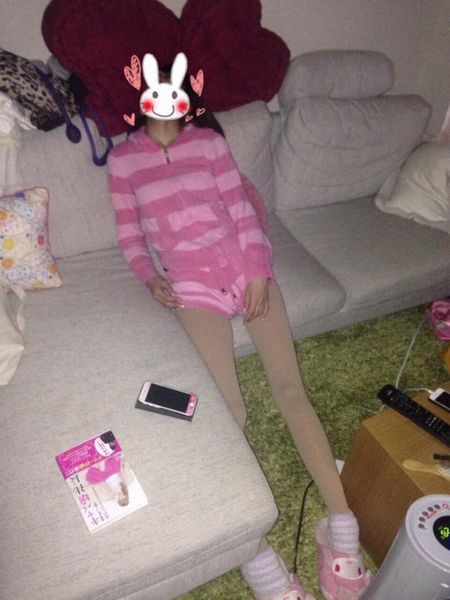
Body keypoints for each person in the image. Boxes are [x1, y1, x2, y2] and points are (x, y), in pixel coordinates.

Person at [108, 63, 372, 600]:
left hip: (246, 270)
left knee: (291, 391)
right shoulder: (122, 160)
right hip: (192, 286)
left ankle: (341, 528)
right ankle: (257, 558)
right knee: (228, 412)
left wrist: (256, 273)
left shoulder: (208, 144)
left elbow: (243, 214)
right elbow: (130, 236)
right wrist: (150, 277)